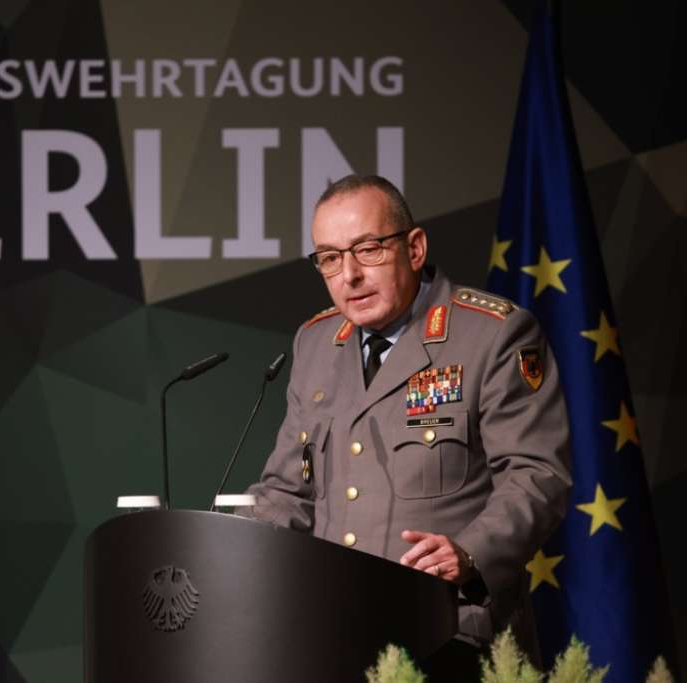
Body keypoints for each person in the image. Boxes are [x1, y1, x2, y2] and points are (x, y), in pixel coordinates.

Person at [242, 174, 572, 676]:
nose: (349, 275)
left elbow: (538, 475)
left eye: (368, 249)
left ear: (414, 248)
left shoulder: (492, 334)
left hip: (452, 631)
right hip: (334, 633)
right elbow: (289, 491)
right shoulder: (316, 342)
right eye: (329, 258)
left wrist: (471, 553)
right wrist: (226, 546)